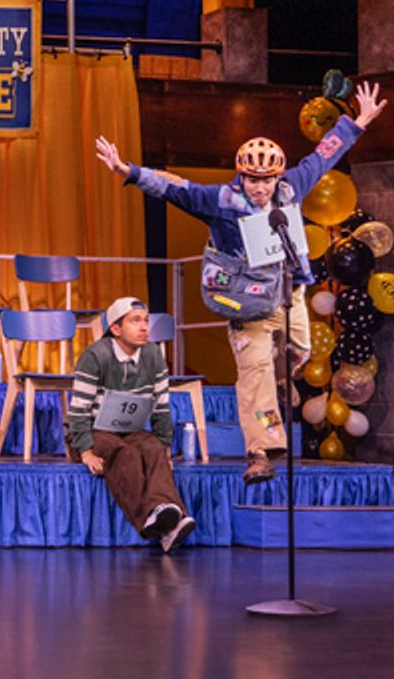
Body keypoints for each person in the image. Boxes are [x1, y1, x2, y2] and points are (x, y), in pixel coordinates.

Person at [96, 80, 386, 484]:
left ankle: (285, 380)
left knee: (297, 354)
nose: (260, 187)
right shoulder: (220, 201)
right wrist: (129, 171)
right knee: (255, 377)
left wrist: (357, 122)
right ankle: (260, 451)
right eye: (252, 179)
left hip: (288, 296)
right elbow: (175, 188)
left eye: (266, 179)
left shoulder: (289, 190)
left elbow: (322, 156)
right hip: (245, 304)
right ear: (241, 176)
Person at [68, 297, 194, 552]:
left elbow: (160, 406)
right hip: (94, 432)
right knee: (125, 454)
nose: (144, 327)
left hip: (130, 430)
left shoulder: (153, 355)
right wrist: (85, 450)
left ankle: (166, 518)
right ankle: (156, 518)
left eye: (146, 320)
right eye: (135, 321)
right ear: (115, 328)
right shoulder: (95, 355)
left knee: (152, 448)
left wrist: (165, 448)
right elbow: (79, 408)